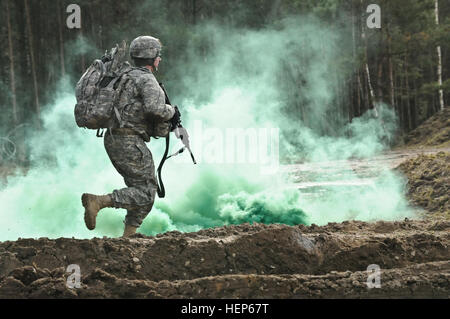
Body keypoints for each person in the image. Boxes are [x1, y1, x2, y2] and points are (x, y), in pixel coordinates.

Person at [81, 35, 176, 237]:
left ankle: (129, 238)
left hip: (114, 138)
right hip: (128, 141)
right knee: (146, 193)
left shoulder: (123, 75)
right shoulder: (146, 79)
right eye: (159, 55)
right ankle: (99, 201)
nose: (160, 59)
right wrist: (172, 111)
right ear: (153, 58)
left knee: (141, 189)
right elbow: (155, 109)